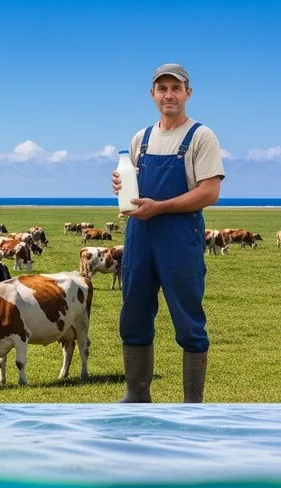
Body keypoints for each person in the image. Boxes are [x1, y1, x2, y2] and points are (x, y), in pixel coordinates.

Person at [111, 64, 225, 403]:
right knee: (133, 315)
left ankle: (192, 403)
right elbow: (131, 190)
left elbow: (209, 192)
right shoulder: (140, 139)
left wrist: (159, 207)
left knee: (188, 320)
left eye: (175, 88)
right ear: (153, 95)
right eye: (162, 88)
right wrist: (119, 184)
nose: (168, 94)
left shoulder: (201, 137)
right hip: (139, 236)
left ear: (188, 93)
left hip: (179, 236)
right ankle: (136, 394)